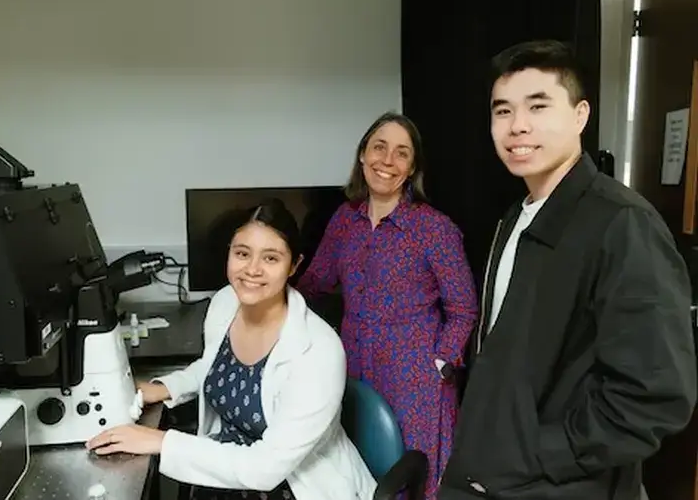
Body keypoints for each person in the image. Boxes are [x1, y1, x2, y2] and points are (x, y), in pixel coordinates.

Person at [438, 40, 697, 499]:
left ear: (580, 116)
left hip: (557, 484)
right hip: (489, 474)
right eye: (503, 110)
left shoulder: (622, 224)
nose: (517, 125)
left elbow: (655, 395)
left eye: (538, 106)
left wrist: (542, 454)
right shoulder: (515, 217)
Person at [86, 198, 376, 500]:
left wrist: (161, 441)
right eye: (242, 253)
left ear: (294, 265)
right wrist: (165, 388)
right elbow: (216, 365)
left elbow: (266, 469)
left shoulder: (318, 351)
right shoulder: (226, 302)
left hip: (292, 486)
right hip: (226, 470)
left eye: (271, 258)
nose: (252, 269)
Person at [295, 112, 480, 500]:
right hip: (353, 370)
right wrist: (267, 285)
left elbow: (464, 308)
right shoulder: (344, 220)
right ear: (363, 154)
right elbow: (315, 283)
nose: (387, 160)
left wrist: (439, 364)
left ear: (411, 168)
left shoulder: (434, 229)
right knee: (357, 475)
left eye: (401, 153)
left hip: (414, 382)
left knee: (410, 482)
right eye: (379, 147)